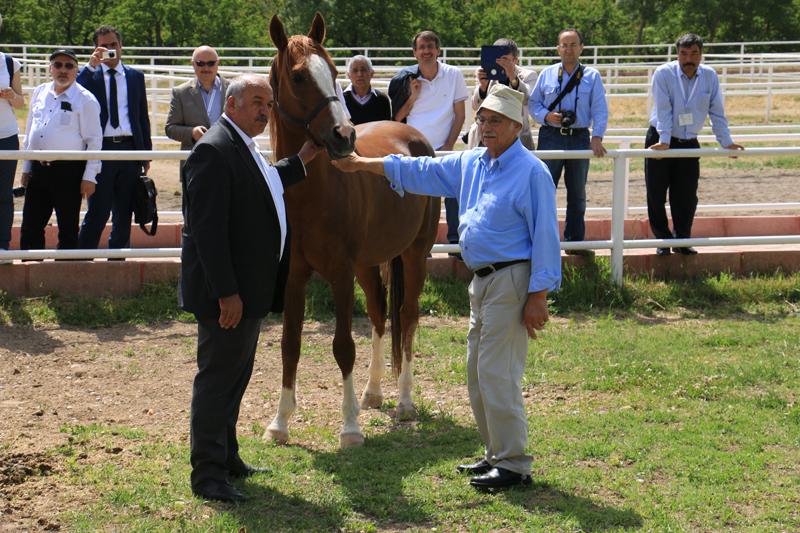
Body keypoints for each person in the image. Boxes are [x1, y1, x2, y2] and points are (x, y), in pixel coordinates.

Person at [332, 84, 562, 491]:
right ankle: (495, 453)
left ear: (516, 126)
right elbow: (418, 171)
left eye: (496, 121)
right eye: (483, 119)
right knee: (478, 372)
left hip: (512, 279)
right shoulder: (473, 163)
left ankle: (513, 463)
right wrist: (362, 164)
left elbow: (545, 236)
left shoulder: (531, 173)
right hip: (483, 280)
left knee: (497, 373)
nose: (486, 127)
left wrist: (538, 296)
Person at [180, 74, 321, 503]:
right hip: (229, 296)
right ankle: (208, 474)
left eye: (269, 104)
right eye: (257, 102)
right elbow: (207, 232)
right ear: (232, 103)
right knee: (217, 381)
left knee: (235, 377)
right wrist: (226, 292)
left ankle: (227, 458)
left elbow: (267, 181)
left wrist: (305, 156)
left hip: (247, 291)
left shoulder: (241, 145)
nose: (265, 111)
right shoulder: (214, 150)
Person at [646, 33, 744, 256]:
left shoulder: (709, 76)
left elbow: (717, 111)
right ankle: (663, 240)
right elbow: (663, 109)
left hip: (689, 141)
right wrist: (664, 140)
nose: (688, 58)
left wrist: (726, 142)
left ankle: (682, 239)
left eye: (693, 53)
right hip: (660, 139)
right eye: (683, 53)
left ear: (701, 54)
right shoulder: (663, 73)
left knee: (687, 195)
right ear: (677, 54)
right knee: (656, 192)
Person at [388, 30, 469, 255]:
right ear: (414, 53)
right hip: (414, 150)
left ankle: (454, 245)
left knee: (453, 197)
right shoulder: (405, 79)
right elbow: (396, 119)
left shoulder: (453, 74)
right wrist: (412, 97)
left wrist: (449, 145)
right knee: (415, 200)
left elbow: (460, 114)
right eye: (421, 47)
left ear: (438, 50)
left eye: (430, 46)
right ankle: (418, 248)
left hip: (445, 149)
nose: (426, 51)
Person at [530, 28, 608, 257]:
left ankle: (575, 243)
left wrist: (597, 137)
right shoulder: (547, 74)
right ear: (558, 49)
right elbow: (533, 104)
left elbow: (600, 109)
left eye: (573, 44)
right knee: (544, 191)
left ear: (582, 48)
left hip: (579, 137)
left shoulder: (592, 76)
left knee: (577, 193)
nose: (568, 49)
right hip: (550, 136)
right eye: (564, 45)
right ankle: (542, 243)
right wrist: (547, 116)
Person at [76, 25, 152, 251]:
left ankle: (118, 262)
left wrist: (145, 154)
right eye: (104, 46)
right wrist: (90, 65)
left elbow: (142, 116)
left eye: (113, 44)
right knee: (98, 211)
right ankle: (82, 260)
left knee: (124, 212)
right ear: (95, 49)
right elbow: (74, 92)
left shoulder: (135, 76)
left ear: (121, 46)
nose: (110, 49)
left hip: (129, 149)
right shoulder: (90, 75)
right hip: (101, 149)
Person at [19, 50, 102, 251]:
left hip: (69, 171)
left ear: (76, 70)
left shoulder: (86, 99)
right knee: (30, 226)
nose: (63, 70)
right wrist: (26, 166)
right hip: (38, 169)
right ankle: (31, 267)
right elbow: (30, 131)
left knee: (67, 228)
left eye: (69, 66)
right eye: (57, 65)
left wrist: (90, 176)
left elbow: (94, 140)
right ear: (50, 68)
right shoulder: (40, 92)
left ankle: (66, 268)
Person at [467, 38, 536, 150]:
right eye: (497, 58)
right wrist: (483, 87)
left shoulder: (528, 75)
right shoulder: (486, 73)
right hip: (487, 138)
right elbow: (475, 106)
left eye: (505, 59)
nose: (501, 63)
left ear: (515, 60)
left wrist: (513, 77)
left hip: (516, 138)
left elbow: (527, 100)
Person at [165, 45, 229, 152]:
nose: (206, 68)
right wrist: (192, 132)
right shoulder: (180, 92)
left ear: (218, 63)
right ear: (193, 64)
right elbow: (170, 129)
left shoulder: (234, 90)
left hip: (228, 155)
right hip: (195, 157)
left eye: (211, 63)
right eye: (200, 63)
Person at [0, 14, 25, 262]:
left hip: (6, 136)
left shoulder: (9, 63)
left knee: (3, 194)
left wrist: (11, 96)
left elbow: (21, 102)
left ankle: (3, 247)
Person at [342, 55, 391, 124]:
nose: (359, 74)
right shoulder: (341, 99)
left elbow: (386, 127)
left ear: (372, 73)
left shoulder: (382, 100)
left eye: (363, 70)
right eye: (355, 70)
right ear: (348, 75)